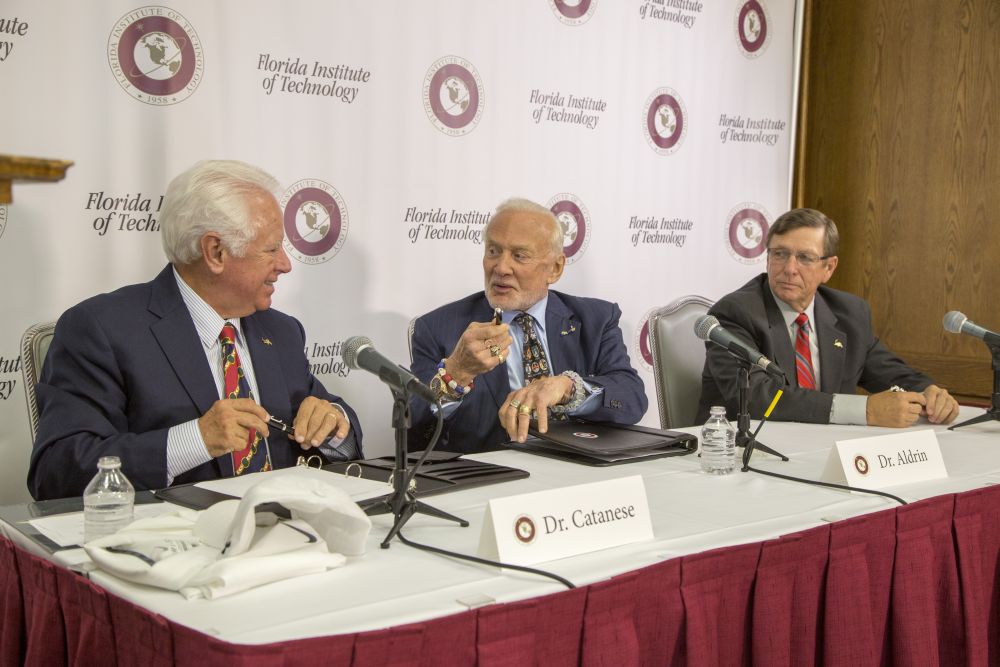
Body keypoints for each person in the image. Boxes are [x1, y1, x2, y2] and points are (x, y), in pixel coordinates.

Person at [28, 160, 363, 500]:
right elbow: (57, 471)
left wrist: (334, 422)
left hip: (285, 537)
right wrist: (196, 440)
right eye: (272, 248)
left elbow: (329, 423)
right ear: (215, 252)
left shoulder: (282, 332)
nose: (285, 264)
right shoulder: (102, 329)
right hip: (173, 543)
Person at [409, 197, 647, 453]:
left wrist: (569, 388)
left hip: (582, 470)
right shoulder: (438, 329)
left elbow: (632, 399)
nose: (501, 267)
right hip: (494, 475)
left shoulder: (596, 318)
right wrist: (456, 374)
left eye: (519, 256)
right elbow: (416, 431)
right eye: (493, 251)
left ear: (555, 268)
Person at [697, 207, 960, 428]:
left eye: (804, 258)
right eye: (780, 254)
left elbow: (890, 373)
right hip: (743, 454)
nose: (789, 269)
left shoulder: (849, 313)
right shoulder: (736, 313)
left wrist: (930, 393)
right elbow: (757, 398)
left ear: (829, 267)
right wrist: (864, 411)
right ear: (767, 258)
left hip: (827, 453)